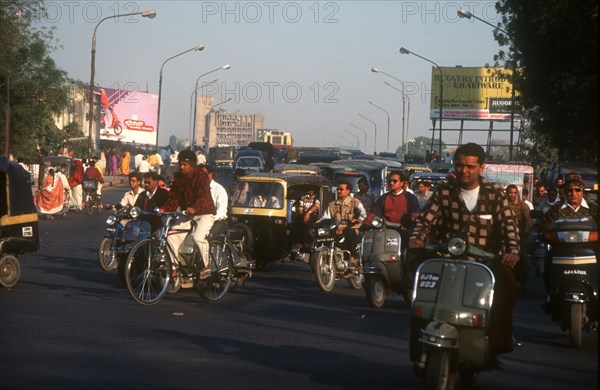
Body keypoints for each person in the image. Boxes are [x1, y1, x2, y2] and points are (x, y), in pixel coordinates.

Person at [408, 142, 520, 368]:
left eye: (470, 166)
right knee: (418, 290)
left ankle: (494, 346)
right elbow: (426, 220)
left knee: (507, 285)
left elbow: (510, 225)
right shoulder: (444, 193)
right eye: (459, 166)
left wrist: (512, 250)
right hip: (446, 259)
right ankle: (418, 346)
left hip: (485, 263)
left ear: (481, 167)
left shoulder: (495, 196)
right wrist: (417, 237)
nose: (464, 171)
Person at [158, 150, 216, 279]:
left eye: (185, 165)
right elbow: (174, 199)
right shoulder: (178, 178)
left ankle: (207, 265)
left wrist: (195, 208)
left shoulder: (201, 176)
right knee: (170, 237)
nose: (181, 167)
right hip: (187, 214)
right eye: (180, 164)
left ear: (192, 164)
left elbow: (204, 196)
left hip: (205, 213)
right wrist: (164, 209)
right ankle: (174, 268)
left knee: (198, 237)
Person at [320, 181, 367, 266]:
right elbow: (325, 217)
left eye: (341, 189)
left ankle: (351, 259)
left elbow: (363, 214)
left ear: (348, 191)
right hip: (336, 228)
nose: (339, 191)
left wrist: (358, 220)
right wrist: (318, 223)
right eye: (338, 189)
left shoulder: (355, 202)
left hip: (352, 228)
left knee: (350, 232)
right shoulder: (332, 204)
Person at [506, 184, 533, 293]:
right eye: (510, 192)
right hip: (505, 236)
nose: (512, 195)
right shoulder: (503, 204)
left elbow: (529, 221)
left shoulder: (523, 206)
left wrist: (525, 232)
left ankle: (522, 283)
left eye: (514, 192)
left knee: (523, 258)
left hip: (520, 236)